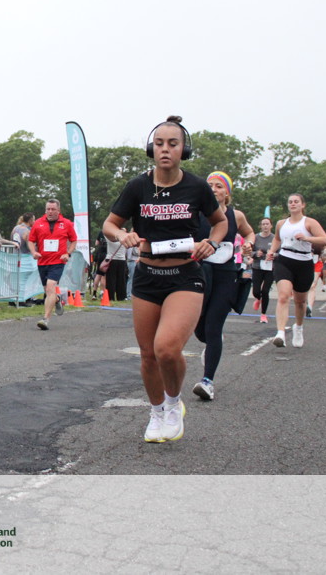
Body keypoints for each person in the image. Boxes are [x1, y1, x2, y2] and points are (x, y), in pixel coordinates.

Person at [103, 116, 225, 443]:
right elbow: (110, 224)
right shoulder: (138, 186)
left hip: (185, 275)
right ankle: (156, 412)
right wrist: (123, 235)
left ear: (184, 149)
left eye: (173, 144)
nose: (165, 150)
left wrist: (212, 243)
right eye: (159, 144)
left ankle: (173, 404)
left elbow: (220, 223)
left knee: (167, 349)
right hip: (147, 275)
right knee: (148, 355)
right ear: (151, 149)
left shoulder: (196, 187)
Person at [192, 171, 254, 401]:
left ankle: (207, 381)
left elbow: (249, 233)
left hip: (225, 275)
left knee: (213, 326)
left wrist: (248, 244)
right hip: (199, 273)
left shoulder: (235, 215)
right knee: (199, 329)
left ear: (227, 193)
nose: (214, 189)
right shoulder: (195, 213)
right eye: (210, 185)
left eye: (219, 186)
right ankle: (212, 344)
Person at [266, 194, 326, 348]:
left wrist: (307, 238)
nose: (293, 204)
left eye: (296, 202)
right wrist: (272, 251)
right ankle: (280, 333)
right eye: (290, 202)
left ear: (302, 205)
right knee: (283, 295)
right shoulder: (281, 223)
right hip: (284, 260)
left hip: (304, 262)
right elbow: (277, 239)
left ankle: (298, 328)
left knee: (300, 301)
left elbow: (324, 240)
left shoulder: (309, 222)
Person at [27, 198, 77, 331]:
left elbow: (73, 240)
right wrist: (33, 252)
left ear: (58, 210)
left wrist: (68, 253)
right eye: (48, 209)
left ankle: (45, 319)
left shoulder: (66, 223)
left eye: (53, 209)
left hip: (58, 261)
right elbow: (31, 240)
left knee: (50, 287)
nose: (50, 211)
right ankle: (57, 299)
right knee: (49, 291)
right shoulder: (38, 223)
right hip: (42, 261)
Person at [250, 217, 275, 323]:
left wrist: (273, 255)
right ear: (260, 226)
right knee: (256, 291)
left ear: (271, 226)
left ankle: (263, 314)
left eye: (267, 224)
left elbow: (280, 252)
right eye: (263, 224)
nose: (265, 226)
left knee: (265, 291)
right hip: (257, 266)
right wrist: (256, 253)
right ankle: (258, 298)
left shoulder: (274, 238)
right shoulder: (255, 237)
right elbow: (248, 252)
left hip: (270, 268)